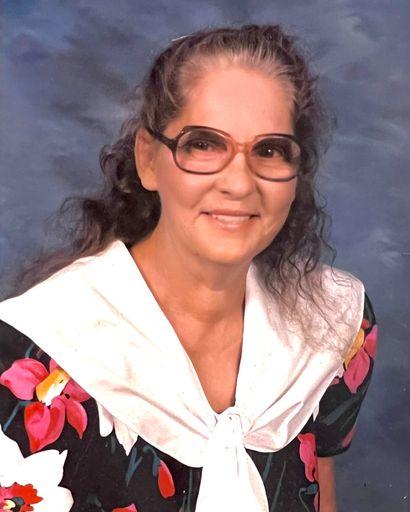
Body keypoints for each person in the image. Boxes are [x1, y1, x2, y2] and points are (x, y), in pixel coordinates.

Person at [0, 24, 377, 512]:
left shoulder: (334, 322)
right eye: (203, 144)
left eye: (269, 150)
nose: (239, 184)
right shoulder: (28, 357)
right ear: (148, 160)